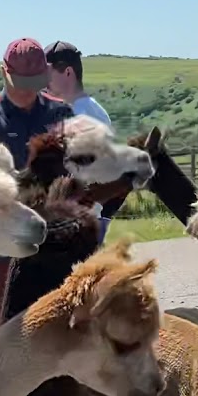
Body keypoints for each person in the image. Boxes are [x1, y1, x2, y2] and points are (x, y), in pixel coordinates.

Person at [0, 37, 74, 315]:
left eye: (35, 82)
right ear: (5, 73)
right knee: (3, 329)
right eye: (22, 84)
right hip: (1, 245)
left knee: (56, 327)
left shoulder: (61, 113)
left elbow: (74, 173)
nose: (28, 92)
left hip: (51, 242)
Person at [45, 40, 123, 244]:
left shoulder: (75, 116)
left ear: (68, 73)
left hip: (73, 222)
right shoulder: (98, 112)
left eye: (48, 74)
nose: (44, 83)